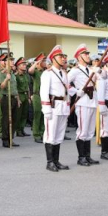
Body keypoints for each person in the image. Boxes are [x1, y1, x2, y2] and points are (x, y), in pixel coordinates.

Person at [68, 44, 100, 167]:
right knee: (82, 131)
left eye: (88, 54)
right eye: (85, 54)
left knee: (90, 131)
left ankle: (87, 156)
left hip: (92, 102)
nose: (88, 56)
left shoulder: (92, 69)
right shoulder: (75, 71)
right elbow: (64, 82)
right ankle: (81, 158)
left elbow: (103, 77)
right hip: (83, 103)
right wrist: (76, 91)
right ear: (79, 57)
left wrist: (99, 70)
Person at [40, 45, 70, 173]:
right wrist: (46, 108)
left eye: (63, 56)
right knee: (50, 135)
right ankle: (50, 162)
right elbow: (44, 92)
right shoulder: (47, 73)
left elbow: (66, 91)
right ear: (53, 59)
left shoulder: (63, 73)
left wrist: (68, 104)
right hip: (52, 106)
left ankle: (56, 161)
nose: (63, 59)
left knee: (59, 134)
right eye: (60, 57)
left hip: (62, 106)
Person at [0, 53, 19, 148]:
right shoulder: (2, 73)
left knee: (14, 120)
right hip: (6, 97)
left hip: (14, 98)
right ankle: (5, 139)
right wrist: (6, 79)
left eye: (13, 60)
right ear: (6, 62)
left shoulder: (13, 74)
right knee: (6, 120)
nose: (13, 62)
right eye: (10, 60)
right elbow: (1, 86)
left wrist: (18, 99)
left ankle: (11, 138)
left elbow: (15, 88)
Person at [28, 53, 45, 143]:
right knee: (37, 114)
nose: (45, 63)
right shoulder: (36, 72)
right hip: (37, 95)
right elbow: (30, 71)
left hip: (44, 96)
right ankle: (36, 134)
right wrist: (36, 63)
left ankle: (42, 133)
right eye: (43, 61)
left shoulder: (45, 72)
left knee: (43, 115)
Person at [15, 58, 30, 137]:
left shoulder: (25, 76)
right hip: (19, 95)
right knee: (18, 114)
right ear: (18, 66)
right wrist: (18, 99)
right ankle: (18, 130)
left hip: (25, 95)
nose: (25, 66)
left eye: (25, 65)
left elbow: (27, 87)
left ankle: (22, 129)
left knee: (24, 114)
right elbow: (16, 88)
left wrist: (29, 97)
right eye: (23, 65)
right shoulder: (16, 76)